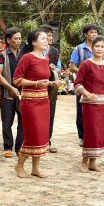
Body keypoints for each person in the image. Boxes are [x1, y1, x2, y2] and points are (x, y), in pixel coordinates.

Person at [12, 29, 58, 178]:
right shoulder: (27, 58)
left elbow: (43, 79)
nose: (47, 40)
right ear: (33, 42)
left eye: (47, 38)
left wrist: (51, 83)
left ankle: (35, 168)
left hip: (44, 101)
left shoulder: (45, 58)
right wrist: (36, 83)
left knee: (42, 136)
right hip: (30, 102)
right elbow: (17, 80)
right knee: (32, 135)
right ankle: (19, 166)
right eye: (43, 38)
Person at [74, 36, 104, 172]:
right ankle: (84, 162)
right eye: (97, 46)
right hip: (89, 105)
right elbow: (78, 83)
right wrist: (86, 94)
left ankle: (93, 162)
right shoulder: (86, 64)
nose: (100, 49)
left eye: (102, 46)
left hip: (102, 105)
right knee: (90, 132)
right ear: (92, 48)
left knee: (100, 133)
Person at [69, 24, 103, 145]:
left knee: (97, 110)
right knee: (81, 110)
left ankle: (95, 134)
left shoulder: (101, 48)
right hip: (82, 84)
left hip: (98, 85)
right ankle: (83, 137)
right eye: (91, 32)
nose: (94, 34)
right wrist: (86, 71)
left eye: (95, 32)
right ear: (85, 34)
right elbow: (72, 67)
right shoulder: (78, 49)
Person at [0, 27, 24, 157]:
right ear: (8, 40)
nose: (18, 41)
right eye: (15, 38)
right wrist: (11, 88)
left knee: (23, 122)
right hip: (7, 94)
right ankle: (8, 147)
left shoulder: (24, 56)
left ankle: (19, 147)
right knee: (7, 122)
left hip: (23, 94)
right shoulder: (0, 56)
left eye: (20, 38)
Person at [41, 24, 61, 152]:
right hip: (37, 86)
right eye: (47, 35)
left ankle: (47, 141)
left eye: (50, 35)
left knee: (50, 115)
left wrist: (56, 68)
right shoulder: (31, 50)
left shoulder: (54, 51)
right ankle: (37, 142)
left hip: (51, 87)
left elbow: (59, 67)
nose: (50, 38)